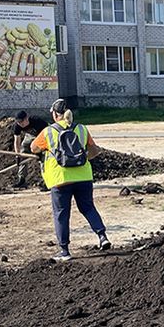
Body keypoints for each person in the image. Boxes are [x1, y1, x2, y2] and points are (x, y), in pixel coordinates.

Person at [30, 99, 110, 262]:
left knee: (61, 214)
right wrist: (82, 158)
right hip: (83, 177)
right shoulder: (81, 129)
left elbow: (33, 148)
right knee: (88, 208)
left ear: (54, 114)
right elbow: (94, 150)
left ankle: (64, 251)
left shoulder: (48, 132)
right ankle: (102, 236)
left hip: (61, 179)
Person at [12, 110, 50, 186]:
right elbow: (17, 141)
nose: (20, 124)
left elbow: (48, 135)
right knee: (23, 150)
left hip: (44, 136)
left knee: (44, 157)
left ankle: (47, 181)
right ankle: (22, 179)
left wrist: (40, 150)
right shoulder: (17, 126)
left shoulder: (37, 122)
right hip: (30, 136)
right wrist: (18, 155)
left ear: (27, 118)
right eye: (18, 122)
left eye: (22, 121)